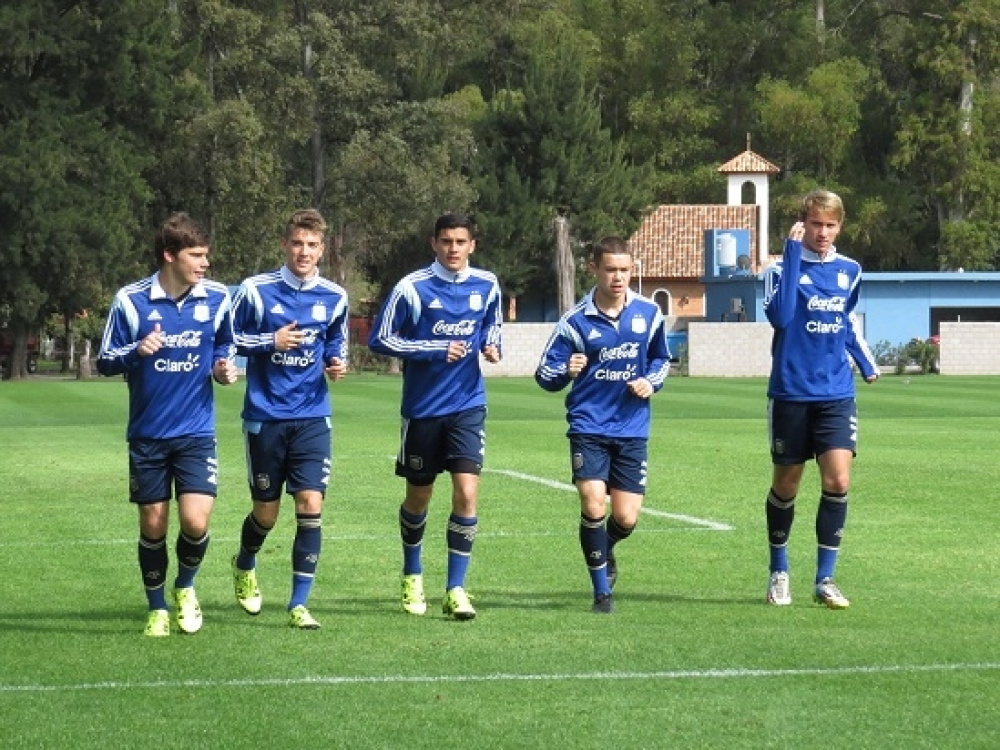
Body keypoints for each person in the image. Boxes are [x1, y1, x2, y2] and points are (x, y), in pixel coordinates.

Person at [97, 212, 238, 637]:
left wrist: (223, 368)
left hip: (196, 432)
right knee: (154, 524)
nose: (205, 264)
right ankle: (156, 607)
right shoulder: (130, 300)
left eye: (206, 255)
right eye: (196, 255)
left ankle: (185, 586)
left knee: (196, 522)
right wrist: (137, 351)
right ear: (170, 255)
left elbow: (225, 344)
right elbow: (105, 359)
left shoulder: (217, 298)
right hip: (148, 435)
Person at [368, 212, 502, 620]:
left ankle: (455, 589)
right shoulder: (412, 288)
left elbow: (491, 325)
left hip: (467, 405)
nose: (453, 249)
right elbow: (380, 338)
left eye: (460, 242)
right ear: (434, 244)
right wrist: (432, 349)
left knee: (467, 492)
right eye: (446, 241)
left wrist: (491, 344)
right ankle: (412, 573)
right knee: (419, 496)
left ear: (472, 245)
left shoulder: (487, 284)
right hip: (423, 410)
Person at [535, 237, 670, 614]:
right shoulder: (574, 321)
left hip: (632, 427)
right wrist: (566, 370)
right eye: (610, 269)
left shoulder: (649, 314)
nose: (618, 277)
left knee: (626, 517)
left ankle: (604, 546)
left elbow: (661, 360)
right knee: (593, 502)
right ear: (593, 269)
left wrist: (651, 382)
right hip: (589, 426)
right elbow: (544, 375)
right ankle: (601, 594)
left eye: (624, 270)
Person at [230, 208, 349, 630]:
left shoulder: (335, 296)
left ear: (322, 249)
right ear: (285, 244)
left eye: (312, 245)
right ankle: (245, 562)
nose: (304, 252)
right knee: (266, 513)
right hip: (266, 417)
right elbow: (227, 338)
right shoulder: (255, 290)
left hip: (313, 415)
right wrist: (271, 340)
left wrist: (337, 362)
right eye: (297, 243)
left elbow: (335, 341)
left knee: (310, 504)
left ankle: (299, 604)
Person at [762, 189, 879, 609]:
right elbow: (780, 317)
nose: (823, 232)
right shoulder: (779, 270)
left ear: (839, 227)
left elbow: (846, 321)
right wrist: (793, 255)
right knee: (787, 484)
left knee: (838, 481)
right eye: (816, 224)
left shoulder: (850, 270)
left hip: (836, 393)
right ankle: (779, 570)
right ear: (802, 224)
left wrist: (864, 360)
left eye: (830, 225)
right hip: (791, 392)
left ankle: (825, 579)